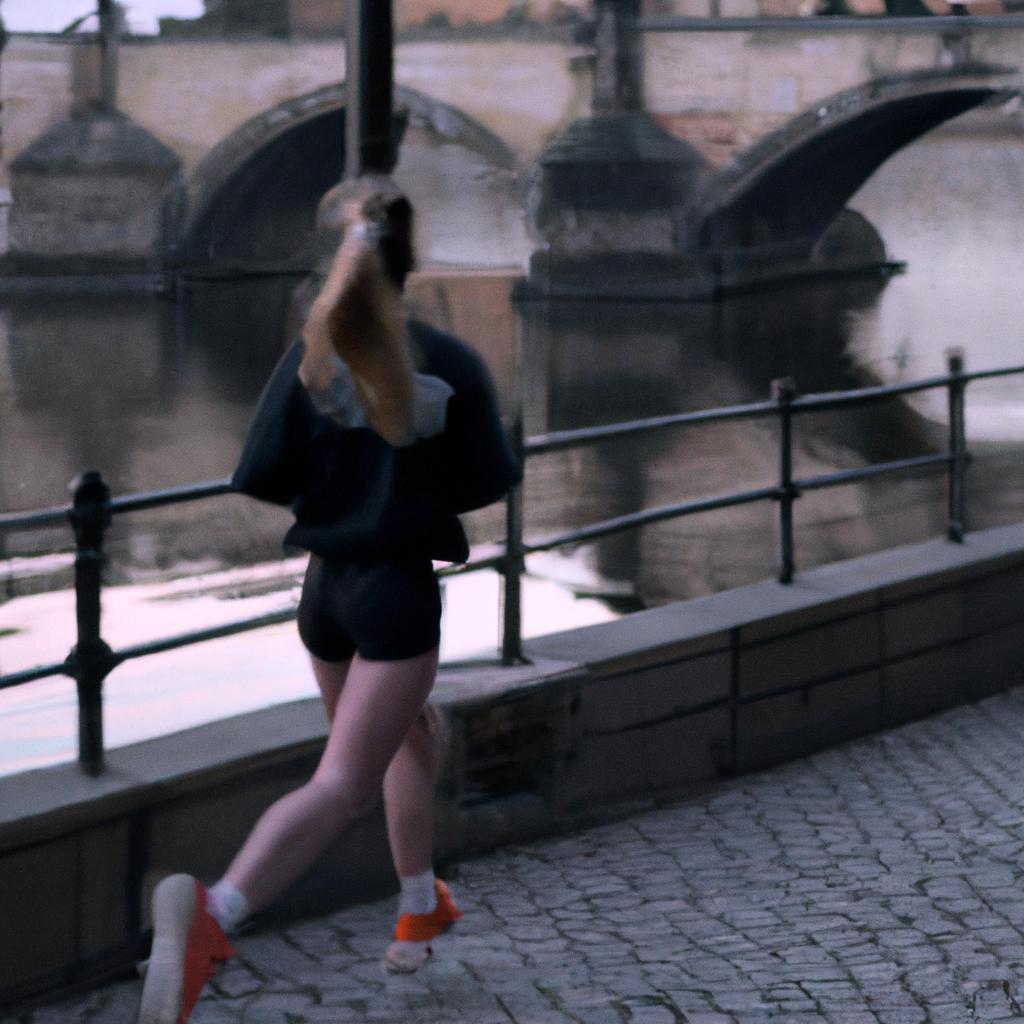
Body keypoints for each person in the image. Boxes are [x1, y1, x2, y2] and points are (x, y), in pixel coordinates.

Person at [136, 178, 521, 1024]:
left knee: (403, 738)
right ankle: (217, 911)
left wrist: (340, 478)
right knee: (344, 780)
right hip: (394, 596)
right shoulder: (446, 362)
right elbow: (488, 478)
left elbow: (262, 472)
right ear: (411, 256)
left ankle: (419, 909)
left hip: (326, 594)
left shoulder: (308, 360)